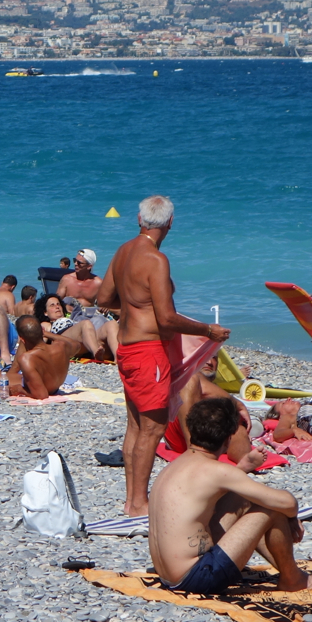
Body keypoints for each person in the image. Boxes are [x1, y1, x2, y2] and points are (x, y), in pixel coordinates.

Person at [99, 196, 231, 518]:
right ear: (171, 222)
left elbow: (103, 298)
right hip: (148, 353)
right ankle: (139, 504)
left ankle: (131, 501)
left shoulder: (123, 251)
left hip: (127, 350)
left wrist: (134, 309)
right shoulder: (156, 260)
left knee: (135, 426)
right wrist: (208, 330)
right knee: (152, 430)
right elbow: (168, 318)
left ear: (139, 219)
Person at [149, 399, 312, 595]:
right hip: (197, 578)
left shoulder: (176, 466)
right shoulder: (217, 471)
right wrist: (290, 516)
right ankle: (293, 578)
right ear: (229, 438)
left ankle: (290, 571)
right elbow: (288, 502)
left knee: (241, 498)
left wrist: (242, 468)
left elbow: (210, 491)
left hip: (169, 576)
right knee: (271, 508)